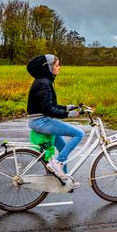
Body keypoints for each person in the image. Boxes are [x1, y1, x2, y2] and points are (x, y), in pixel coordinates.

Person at [26, 54, 84, 182]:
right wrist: (68, 115)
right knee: (79, 133)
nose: (59, 68)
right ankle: (56, 164)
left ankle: (64, 180)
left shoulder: (43, 81)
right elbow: (49, 110)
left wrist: (68, 108)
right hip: (41, 121)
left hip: (40, 120)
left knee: (63, 148)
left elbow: (50, 105)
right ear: (49, 67)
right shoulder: (44, 83)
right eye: (57, 65)